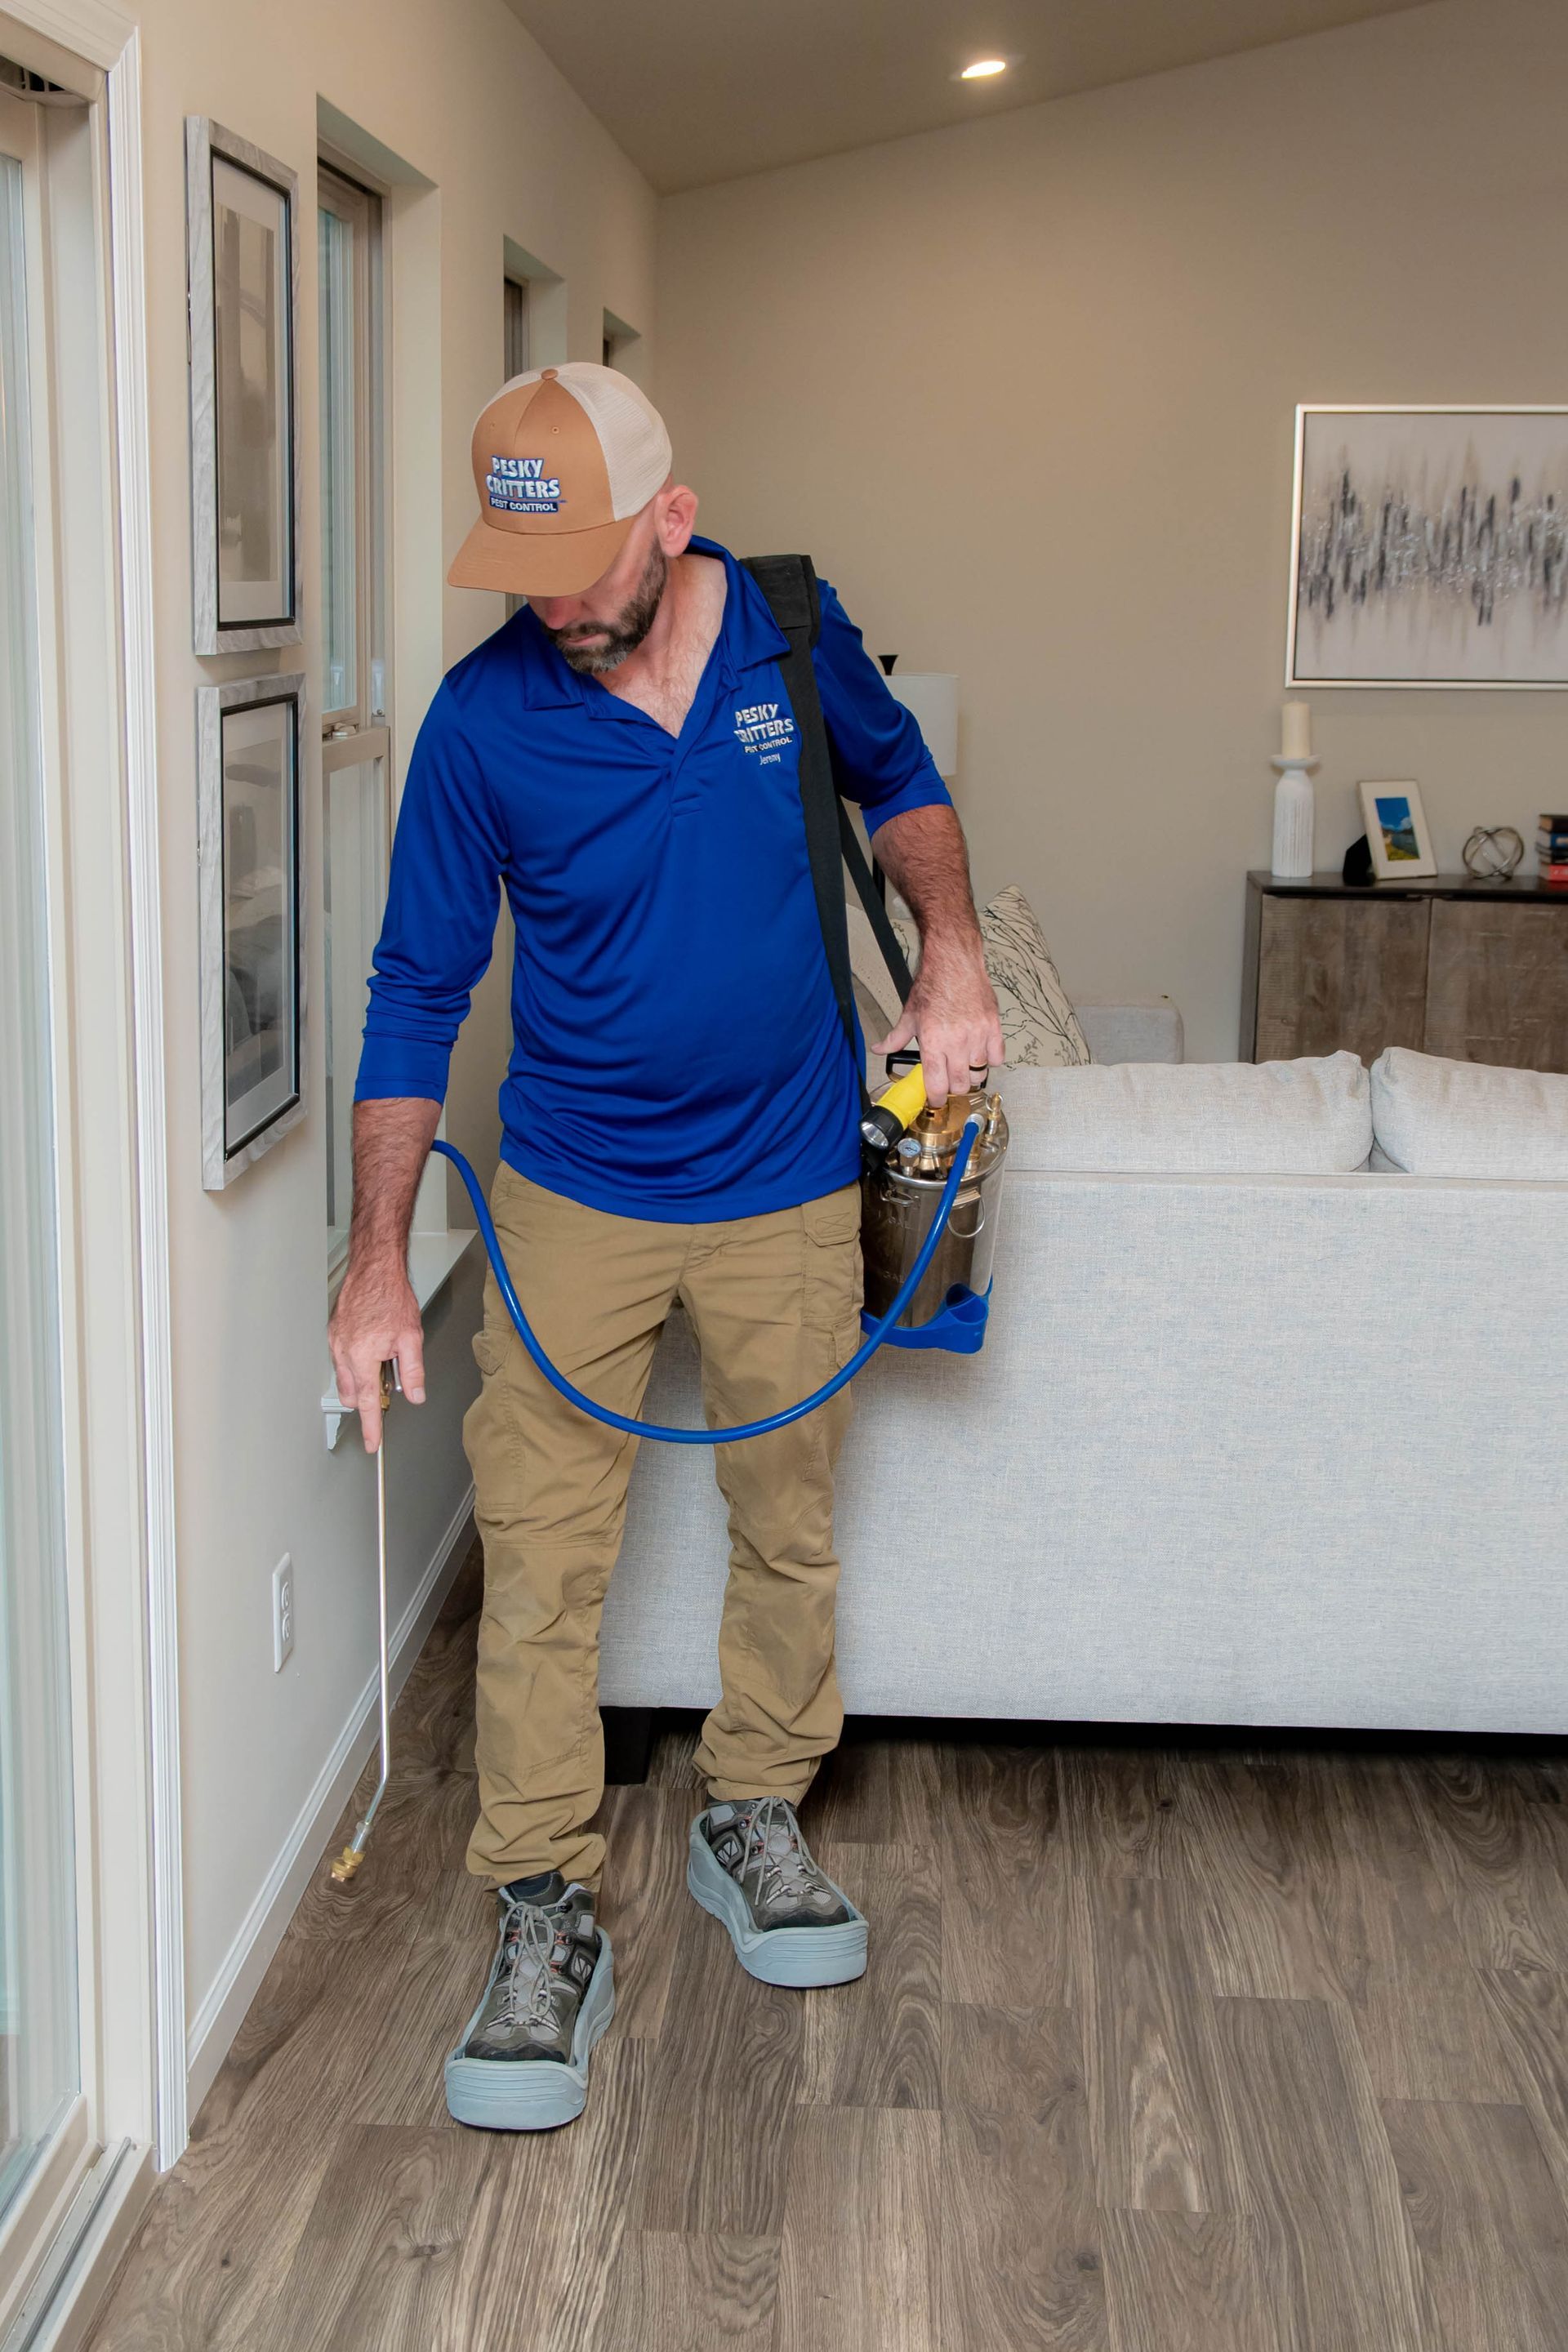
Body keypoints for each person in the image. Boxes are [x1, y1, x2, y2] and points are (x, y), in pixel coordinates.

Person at [328, 363, 1001, 2132]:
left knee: (792, 1516)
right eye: (520, 577)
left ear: (672, 521)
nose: (550, 609)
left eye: (583, 573)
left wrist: (952, 952)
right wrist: (376, 1260)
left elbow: (903, 780)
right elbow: (414, 990)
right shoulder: (481, 724)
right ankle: (544, 1908)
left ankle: (751, 1812)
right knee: (543, 1564)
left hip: (786, 1175)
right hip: (572, 1196)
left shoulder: (788, 630)